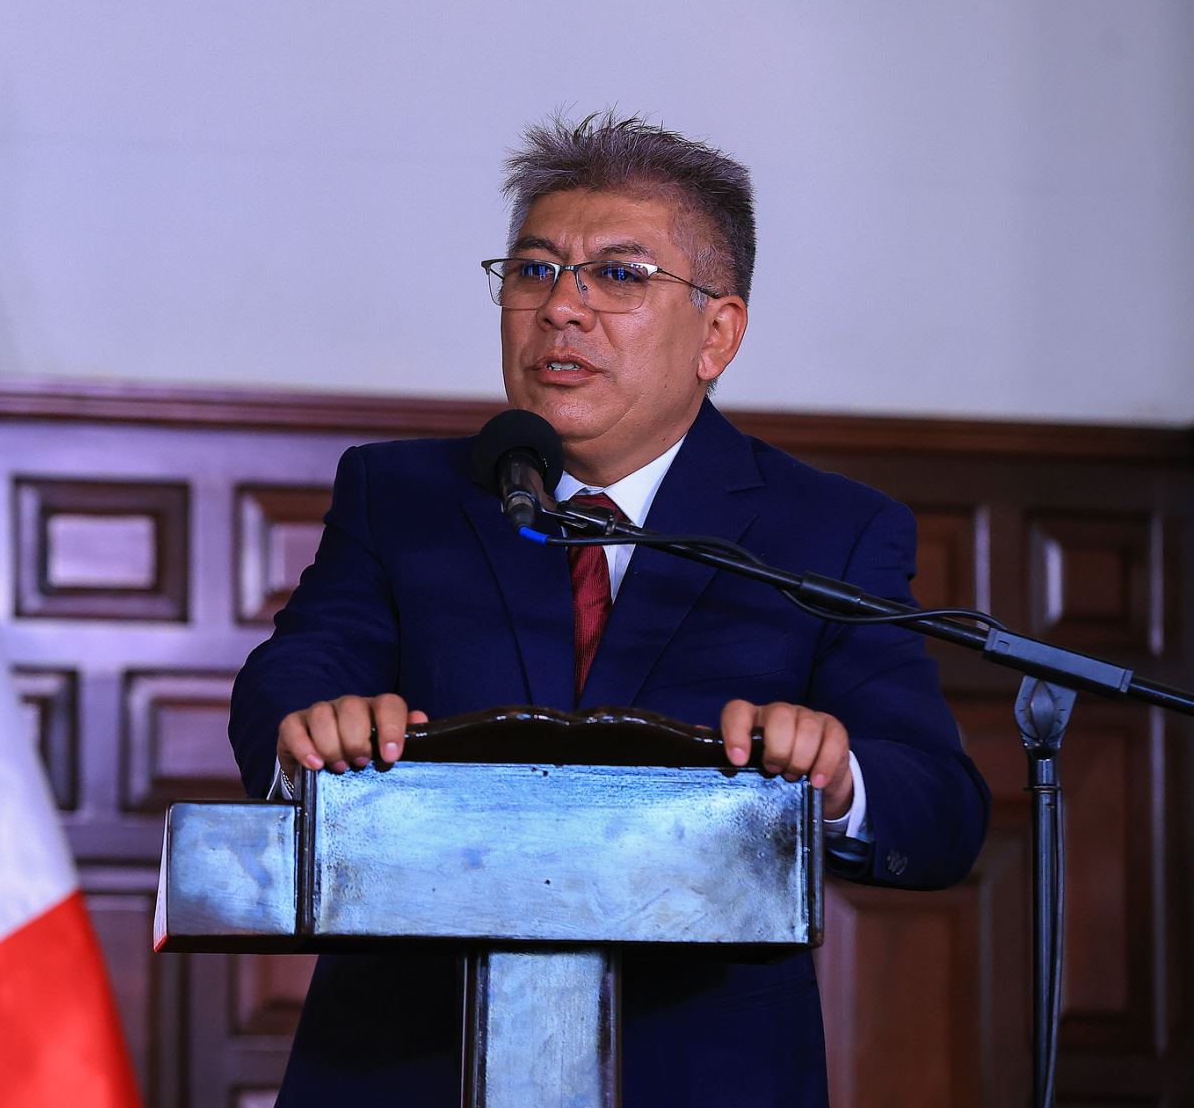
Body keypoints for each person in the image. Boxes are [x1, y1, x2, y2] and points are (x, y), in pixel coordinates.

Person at [227, 112, 990, 1106]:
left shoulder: (826, 530)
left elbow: (937, 805)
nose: (562, 310)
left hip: (696, 1069)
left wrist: (840, 776)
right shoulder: (404, 496)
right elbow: (295, 671)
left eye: (619, 277)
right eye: (534, 271)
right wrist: (306, 731)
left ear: (719, 331)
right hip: (411, 1063)